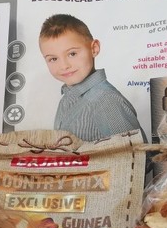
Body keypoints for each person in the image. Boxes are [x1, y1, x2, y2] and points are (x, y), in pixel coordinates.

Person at [38, 14, 146, 142]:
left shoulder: (107, 101)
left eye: (72, 54)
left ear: (94, 48)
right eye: (53, 59)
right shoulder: (66, 100)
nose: (64, 66)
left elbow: (134, 151)